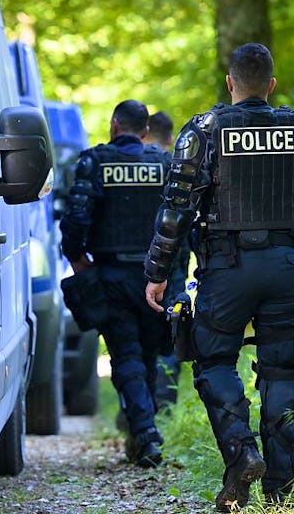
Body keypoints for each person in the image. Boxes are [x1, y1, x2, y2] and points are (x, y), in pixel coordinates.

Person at [143, 43, 294, 511]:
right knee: (282, 371)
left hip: (227, 270)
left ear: (230, 83)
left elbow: (175, 210)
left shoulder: (204, 131)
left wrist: (157, 273)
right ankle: (280, 491)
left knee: (213, 361)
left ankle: (242, 453)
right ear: (272, 85)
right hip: (290, 268)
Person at [60, 99, 171, 467]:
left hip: (111, 275)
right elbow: (180, 220)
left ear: (114, 125)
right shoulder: (163, 164)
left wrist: (76, 257)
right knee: (148, 355)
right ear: (145, 131)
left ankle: (145, 433)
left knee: (126, 355)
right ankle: (144, 433)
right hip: (155, 277)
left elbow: (76, 217)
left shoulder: (95, 162)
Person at [146, 110, 187, 409]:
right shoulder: (180, 169)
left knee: (137, 339)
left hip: (135, 268)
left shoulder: (134, 165)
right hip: (175, 268)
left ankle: (139, 409)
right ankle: (164, 407)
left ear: (144, 133)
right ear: (171, 138)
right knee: (172, 335)